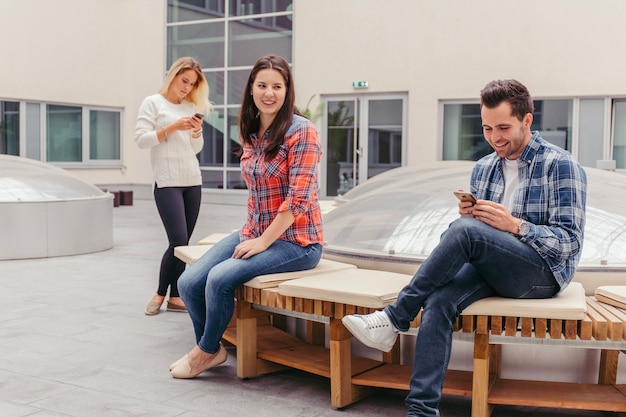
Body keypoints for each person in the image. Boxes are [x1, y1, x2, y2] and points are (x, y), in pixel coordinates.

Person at [342, 79, 587, 417]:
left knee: (466, 232)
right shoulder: (485, 166)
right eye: (487, 128)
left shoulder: (560, 164)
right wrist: (473, 218)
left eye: (504, 127)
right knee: (439, 300)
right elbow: (476, 237)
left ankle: (395, 317)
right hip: (496, 265)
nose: (494, 136)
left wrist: (515, 226)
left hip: (541, 273)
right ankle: (421, 411)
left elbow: (570, 242)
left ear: (527, 120)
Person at [169, 54, 324, 379]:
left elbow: (298, 200)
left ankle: (204, 353)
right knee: (188, 282)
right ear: (252, 89)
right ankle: (210, 349)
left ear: (287, 91)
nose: (269, 93)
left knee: (220, 279)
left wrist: (263, 242)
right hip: (254, 231)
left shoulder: (302, 132)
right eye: (262, 85)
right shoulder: (252, 132)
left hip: (297, 242)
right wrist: (253, 236)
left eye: (277, 86)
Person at [135, 57, 211, 316]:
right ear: (173, 76)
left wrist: (196, 131)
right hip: (167, 183)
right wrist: (172, 127)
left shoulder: (190, 106)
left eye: (192, 84)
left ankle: (176, 297)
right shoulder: (153, 103)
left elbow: (195, 149)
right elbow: (141, 140)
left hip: (192, 181)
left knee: (184, 243)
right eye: (184, 80)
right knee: (177, 240)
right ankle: (159, 294)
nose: (187, 87)